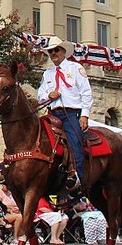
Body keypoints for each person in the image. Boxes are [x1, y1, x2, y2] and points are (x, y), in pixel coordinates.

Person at [35, 36, 92, 192]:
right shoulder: (47, 74)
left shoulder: (75, 69)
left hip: (70, 113)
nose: (53, 53)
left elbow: (86, 93)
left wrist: (84, 115)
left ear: (63, 51)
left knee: (75, 139)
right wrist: (48, 96)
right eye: (50, 51)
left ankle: (78, 177)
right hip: (52, 113)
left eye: (56, 50)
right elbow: (40, 95)